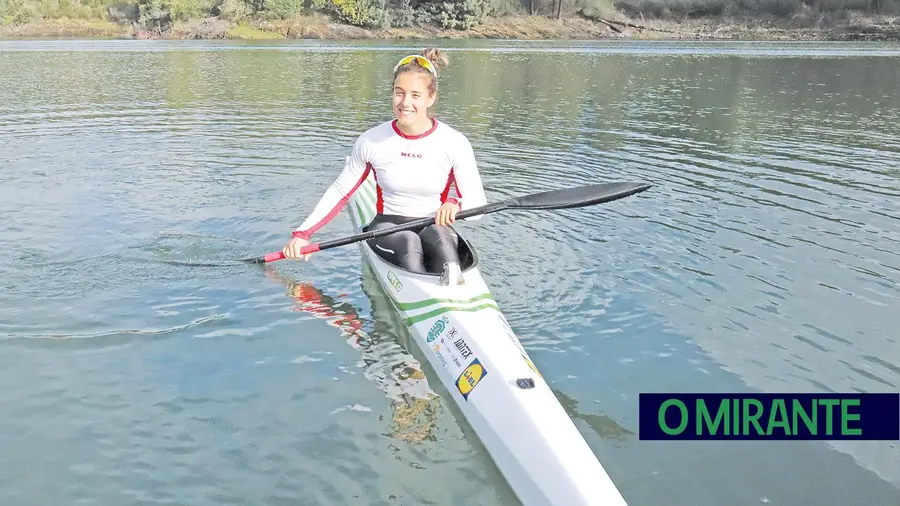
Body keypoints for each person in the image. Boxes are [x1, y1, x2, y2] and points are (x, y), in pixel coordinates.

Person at [282, 48, 487, 286]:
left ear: (431, 98)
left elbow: (478, 207)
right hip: (387, 226)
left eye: (415, 95)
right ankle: (423, 287)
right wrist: (302, 234)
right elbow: (340, 192)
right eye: (399, 93)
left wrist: (455, 203)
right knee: (408, 243)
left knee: (443, 242)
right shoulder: (372, 140)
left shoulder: (454, 142)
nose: (405, 103)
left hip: (435, 225)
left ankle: (451, 278)